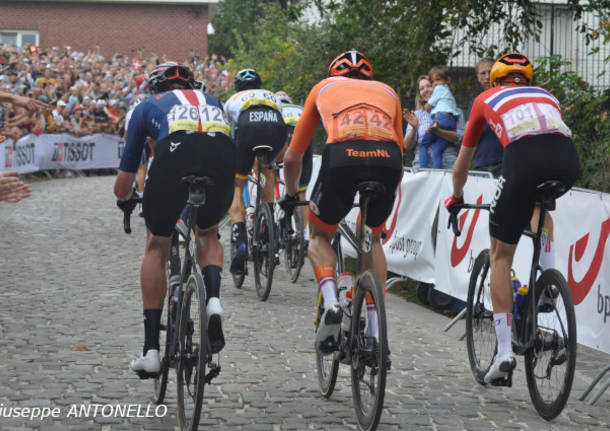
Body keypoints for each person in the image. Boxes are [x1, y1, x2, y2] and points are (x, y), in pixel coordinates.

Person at [445, 53, 580, 384]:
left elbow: (461, 165)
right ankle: (547, 280)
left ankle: (504, 352)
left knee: (499, 256)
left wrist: (457, 196)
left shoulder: (484, 98)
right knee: (540, 206)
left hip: (522, 163)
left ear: (495, 79)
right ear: (528, 80)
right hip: (567, 163)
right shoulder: (547, 95)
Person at [114, 62, 236, 377]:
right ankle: (213, 302)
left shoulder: (147, 107)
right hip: (222, 160)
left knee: (157, 244)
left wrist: (126, 201)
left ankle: (151, 351)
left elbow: (124, 183)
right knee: (207, 233)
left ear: (156, 88)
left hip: (173, 156)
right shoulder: (214, 103)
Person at [281, 50, 403, 353]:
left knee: (320, 234)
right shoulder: (388, 92)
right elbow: (400, 154)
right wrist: (380, 220)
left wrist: (291, 194)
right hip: (388, 161)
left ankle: (333, 301)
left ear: (334, 72)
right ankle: (376, 334)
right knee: (373, 239)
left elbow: (293, 155)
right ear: (368, 75)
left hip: (343, 157)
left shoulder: (323, 87)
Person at [224, 69, 287, 274]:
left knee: (236, 185)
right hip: (276, 129)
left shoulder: (233, 99)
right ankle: (272, 229)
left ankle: (240, 238)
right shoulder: (270, 95)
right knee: (268, 171)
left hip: (248, 129)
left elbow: (226, 133)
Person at [403, 76, 464, 171]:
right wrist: (414, 128)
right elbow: (407, 146)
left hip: (448, 162)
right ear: (420, 94)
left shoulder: (455, 111)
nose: (425, 90)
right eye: (421, 88)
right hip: (421, 164)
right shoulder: (417, 114)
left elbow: (461, 139)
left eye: (428, 86)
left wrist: (438, 131)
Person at [275, 90, 312, 238]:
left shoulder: (275, 108)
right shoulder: (299, 108)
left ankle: (275, 212)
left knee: (270, 170)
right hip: (305, 139)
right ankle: (303, 234)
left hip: (284, 135)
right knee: (301, 191)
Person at [418, 66, 460, 168]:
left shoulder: (439, 89)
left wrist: (424, 107)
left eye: (438, 80)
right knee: (437, 151)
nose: (435, 83)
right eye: (433, 81)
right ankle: (436, 171)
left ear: (447, 80)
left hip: (441, 119)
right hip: (451, 123)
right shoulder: (450, 95)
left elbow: (429, 104)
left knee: (423, 145)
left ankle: (422, 169)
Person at [468, 58, 504, 177]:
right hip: (481, 163)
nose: (487, 77)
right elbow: (471, 137)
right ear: (478, 77)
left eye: (491, 71)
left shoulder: (506, 97)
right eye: (483, 73)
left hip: (505, 162)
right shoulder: (475, 103)